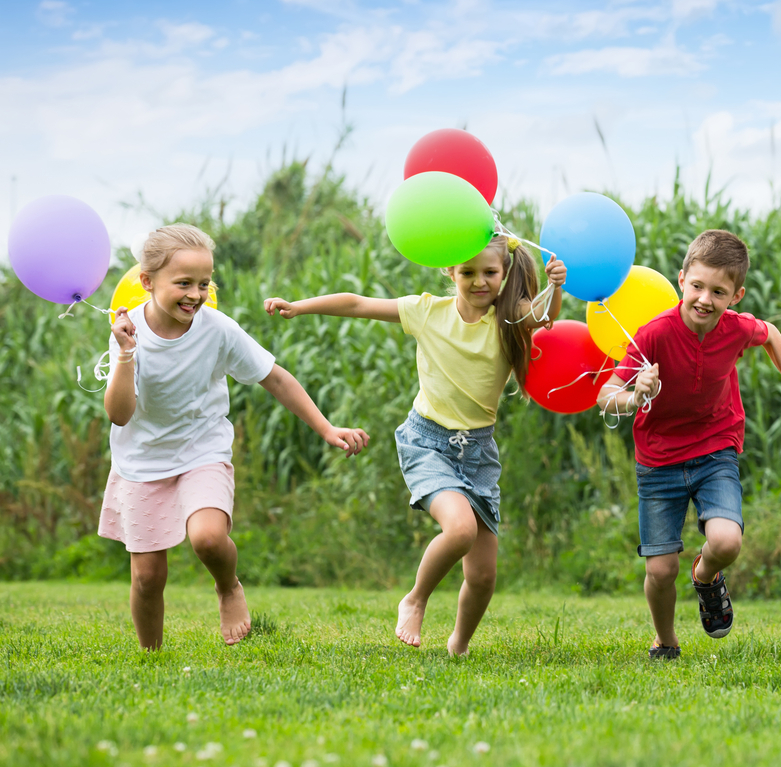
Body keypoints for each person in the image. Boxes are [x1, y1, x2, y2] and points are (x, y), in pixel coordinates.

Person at [265, 236, 565, 655]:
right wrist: (301, 305)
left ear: (504, 274)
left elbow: (542, 316)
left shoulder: (509, 319)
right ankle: (416, 598)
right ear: (450, 272)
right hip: (428, 442)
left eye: (490, 273)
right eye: (468, 273)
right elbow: (357, 303)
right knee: (459, 529)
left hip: (477, 452)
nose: (479, 282)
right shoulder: (427, 312)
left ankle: (458, 645)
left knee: (482, 577)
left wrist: (556, 288)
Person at [102, 224, 368, 650]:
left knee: (208, 538)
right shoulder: (127, 332)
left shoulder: (217, 328)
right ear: (147, 282)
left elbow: (275, 378)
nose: (195, 294)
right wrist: (127, 354)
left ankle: (228, 587)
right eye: (183, 283)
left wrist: (326, 427)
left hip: (201, 449)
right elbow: (119, 415)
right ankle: (151, 658)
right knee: (147, 576)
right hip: (142, 460)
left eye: (204, 284)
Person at [598, 229, 781, 659]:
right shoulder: (654, 334)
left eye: (719, 291)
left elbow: (770, 333)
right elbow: (606, 395)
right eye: (697, 286)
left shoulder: (736, 329)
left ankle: (705, 576)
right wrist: (637, 394)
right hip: (658, 460)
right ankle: (665, 640)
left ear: (736, 295)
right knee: (660, 570)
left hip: (715, 448)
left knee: (727, 542)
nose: (705, 299)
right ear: (681, 279)